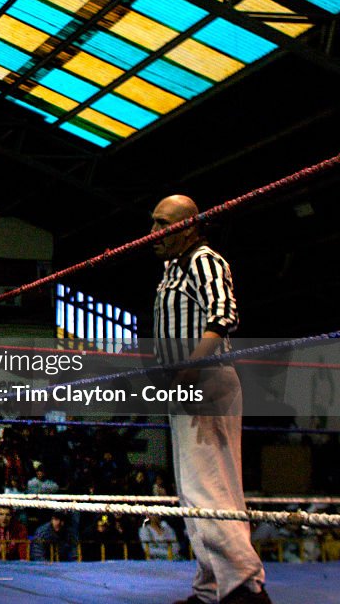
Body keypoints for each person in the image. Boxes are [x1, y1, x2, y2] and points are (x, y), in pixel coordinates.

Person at [151, 195, 269, 604]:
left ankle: (243, 587)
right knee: (192, 491)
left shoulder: (205, 259)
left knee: (211, 486)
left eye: (162, 224)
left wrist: (193, 368)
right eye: (152, 223)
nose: (153, 234)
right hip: (183, 382)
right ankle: (210, 589)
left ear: (187, 226)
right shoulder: (171, 268)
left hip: (205, 380)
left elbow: (224, 315)